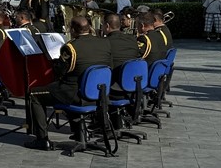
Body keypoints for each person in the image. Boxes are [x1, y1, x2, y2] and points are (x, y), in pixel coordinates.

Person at [26, 16, 113, 150]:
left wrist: (55, 61)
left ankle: (41, 139)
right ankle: (79, 133)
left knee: (34, 94)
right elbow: (109, 67)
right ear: (89, 27)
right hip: (99, 94)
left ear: (72, 30)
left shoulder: (71, 47)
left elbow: (59, 72)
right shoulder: (105, 43)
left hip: (76, 95)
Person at [102, 13, 140, 89]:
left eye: (102, 25)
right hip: (133, 83)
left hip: (114, 87)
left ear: (107, 26)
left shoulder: (104, 42)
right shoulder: (132, 39)